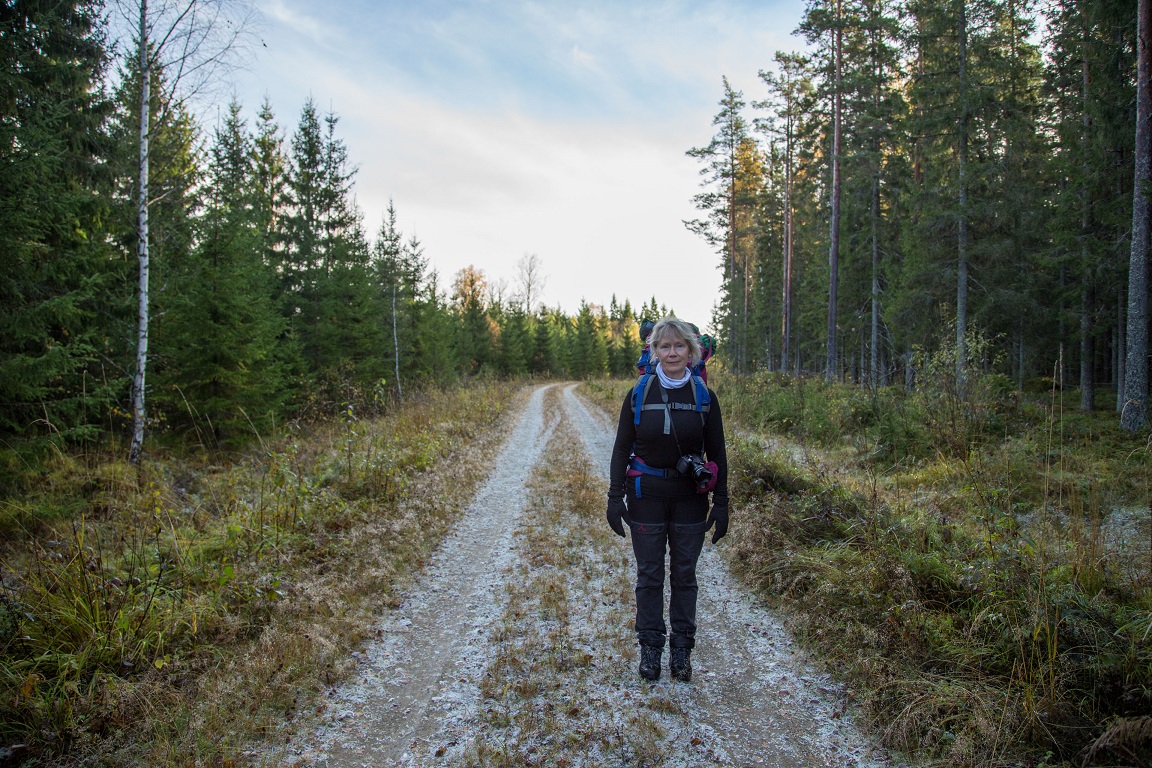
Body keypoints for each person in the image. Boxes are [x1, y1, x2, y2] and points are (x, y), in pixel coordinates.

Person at [606, 317, 729, 682]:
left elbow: (718, 454)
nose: (672, 353)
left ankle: (682, 650)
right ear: (654, 351)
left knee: (685, 575)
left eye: (679, 346)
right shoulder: (639, 393)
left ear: (691, 352)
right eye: (665, 346)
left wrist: (721, 503)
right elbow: (620, 449)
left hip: (691, 500)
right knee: (649, 575)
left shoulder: (704, 396)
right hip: (645, 496)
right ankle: (650, 647)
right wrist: (615, 498)